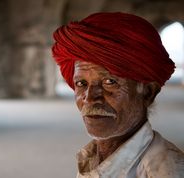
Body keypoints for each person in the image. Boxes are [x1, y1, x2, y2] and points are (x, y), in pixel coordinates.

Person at [51, 12, 184, 178]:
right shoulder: (92, 157)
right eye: (81, 84)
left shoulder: (168, 171)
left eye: (109, 82)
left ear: (148, 92)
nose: (90, 98)